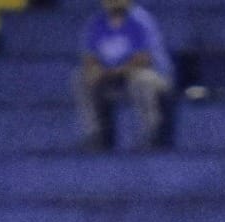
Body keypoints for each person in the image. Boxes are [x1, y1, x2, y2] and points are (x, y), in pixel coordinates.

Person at [73, 0, 174, 151]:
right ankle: (97, 135)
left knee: (141, 80)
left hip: (151, 76)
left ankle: (151, 134)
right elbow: (89, 57)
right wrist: (96, 70)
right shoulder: (97, 23)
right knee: (81, 77)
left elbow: (143, 59)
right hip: (113, 77)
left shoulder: (140, 21)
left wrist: (113, 70)